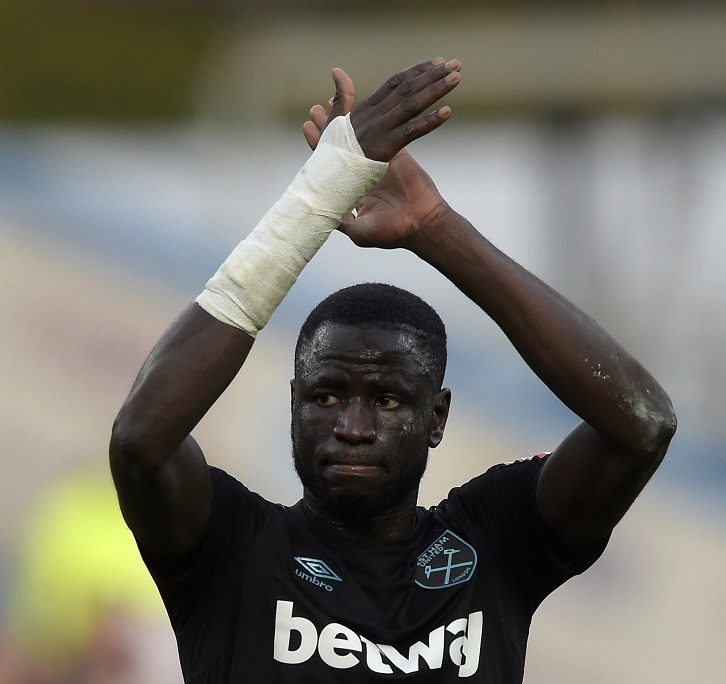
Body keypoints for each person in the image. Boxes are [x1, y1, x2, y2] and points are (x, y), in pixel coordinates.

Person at [109, 57, 676, 683]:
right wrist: (318, 200)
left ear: (436, 417)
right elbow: (142, 442)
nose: (353, 426)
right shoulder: (230, 548)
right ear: (292, 406)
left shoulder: (493, 542)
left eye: (386, 401)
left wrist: (437, 229)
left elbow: (641, 423)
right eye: (325, 398)